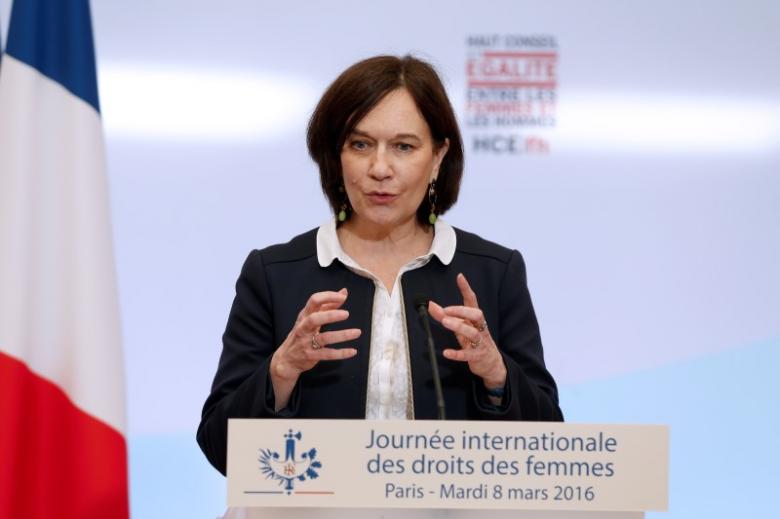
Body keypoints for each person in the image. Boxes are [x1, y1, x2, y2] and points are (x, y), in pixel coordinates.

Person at [197, 55, 562, 475]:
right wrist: (282, 369)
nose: (380, 169)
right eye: (360, 145)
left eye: (404, 147)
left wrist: (497, 375)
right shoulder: (275, 274)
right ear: (336, 156)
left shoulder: (494, 272)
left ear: (438, 157)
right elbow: (221, 450)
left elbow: (550, 451)